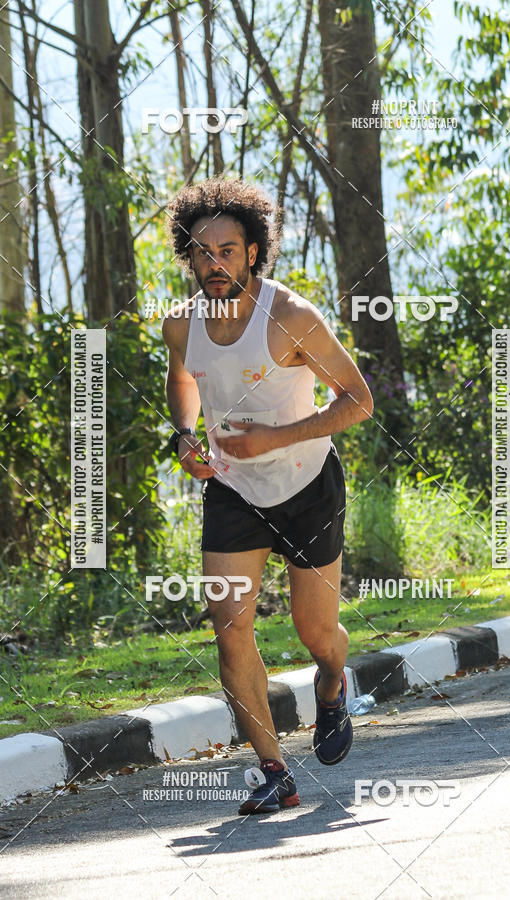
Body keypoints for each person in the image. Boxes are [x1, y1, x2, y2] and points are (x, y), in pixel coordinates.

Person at [162, 177, 373, 814]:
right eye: (203, 252)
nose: (215, 263)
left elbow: (358, 401)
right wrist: (185, 438)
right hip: (232, 492)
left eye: (228, 250)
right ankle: (274, 769)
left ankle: (334, 684)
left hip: (308, 486)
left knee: (317, 631)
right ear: (188, 255)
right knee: (230, 632)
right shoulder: (181, 325)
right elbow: (183, 381)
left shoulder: (291, 318)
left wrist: (277, 436)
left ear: (253, 252)